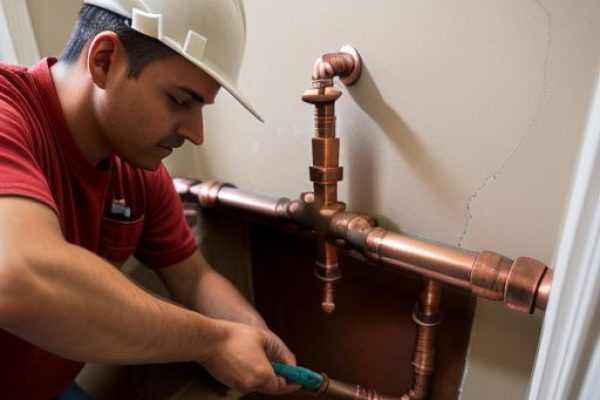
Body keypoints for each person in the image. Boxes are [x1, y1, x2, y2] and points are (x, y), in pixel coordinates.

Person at [0, 0, 299, 398]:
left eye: (202, 108)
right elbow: (20, 278)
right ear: (104, 61)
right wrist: (213, 342)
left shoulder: (137, 170)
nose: (196, 133)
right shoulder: (8, 115)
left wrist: (252, 335)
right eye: (180, 100)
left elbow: (193, 278)